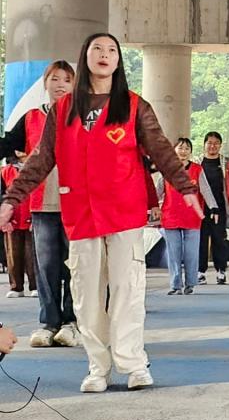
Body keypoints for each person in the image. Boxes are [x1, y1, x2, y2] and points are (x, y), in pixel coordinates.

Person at [0, 33, 202, 393]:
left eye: (111, 50)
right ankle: (98, 367)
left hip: (124, 212)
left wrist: (185, 188)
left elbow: (160, 149)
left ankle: (133, 364)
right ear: (86, 57)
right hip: (81, 215)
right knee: (87, 296)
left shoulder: (134, 105)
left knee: (127, 290)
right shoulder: (63, 110)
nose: (104, 55)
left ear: (118, 61)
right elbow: (41, 159)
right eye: (97, 49)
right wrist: (12, 198)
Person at [0, 61, 78, 346]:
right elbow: (8, 144)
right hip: (42, 204)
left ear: (74, 84)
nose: (60, 85)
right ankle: (48, 322)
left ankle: (72, 321)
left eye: (66, 80)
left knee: (74, 265)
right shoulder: (32, 117)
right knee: (46, 267)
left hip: (76, 204)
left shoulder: (83, 118)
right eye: (54, 79)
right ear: (45, 84)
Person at [156, 138, 218, 296]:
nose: (183, 151)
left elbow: (205, 190)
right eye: (180, 148)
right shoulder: (166, 169)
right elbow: (158, 191)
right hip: (170, 216)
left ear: (190, 152)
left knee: (191, 252)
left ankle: (190, 283)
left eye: (187, 149)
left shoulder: (197, 169)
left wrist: (213, 207)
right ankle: (175, 285)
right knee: (173, 252)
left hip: (192, 217)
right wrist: (150, 206)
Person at [198, 131, 229, 286]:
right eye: (209, 143)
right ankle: (200, 272)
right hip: (200, 208)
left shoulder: (226, 163)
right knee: (201, 239)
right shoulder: (197, 162)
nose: (212, 146)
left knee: (219, 239)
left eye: (216, 143)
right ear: (204, 144)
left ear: (220, 145)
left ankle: (221, 271)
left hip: (220, 207)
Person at [2, 154, 36, 299]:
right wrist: (5, 220)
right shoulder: (5, 171)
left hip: (32, 216)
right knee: (13, 254)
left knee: (32, 255)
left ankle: (35, 286)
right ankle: (16, 287)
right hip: (12, 219)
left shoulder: (36, 168)